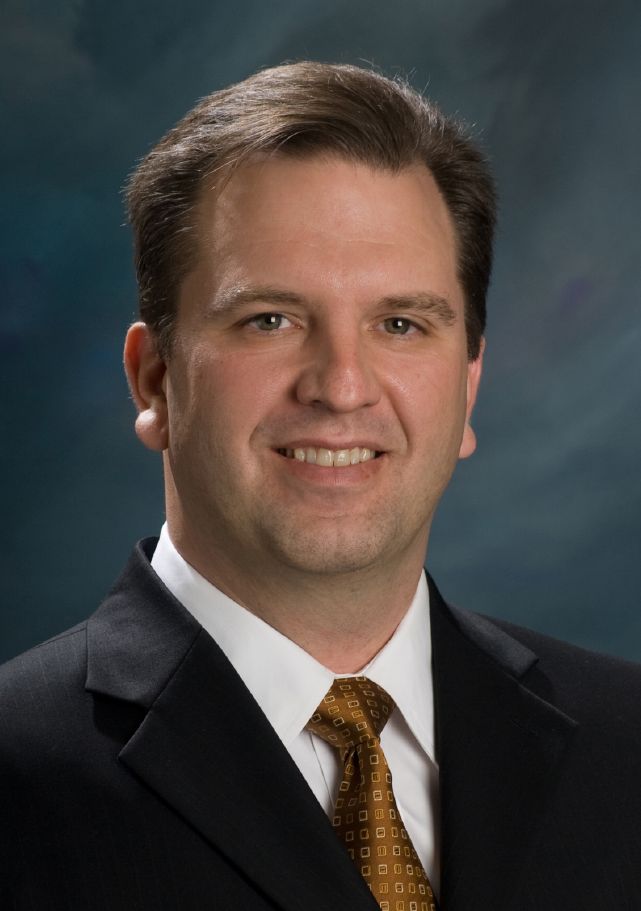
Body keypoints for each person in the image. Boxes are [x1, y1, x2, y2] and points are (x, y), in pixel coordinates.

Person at [1, 61, 640, 911]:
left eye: (400, 323)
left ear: (467, 387)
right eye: (269, 319)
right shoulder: (16, 769)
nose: (341, 386)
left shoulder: (625, 745)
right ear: (154, 380)